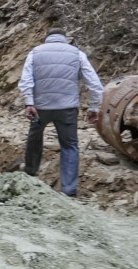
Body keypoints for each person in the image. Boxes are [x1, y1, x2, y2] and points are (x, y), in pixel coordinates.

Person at [18, 28, 104, 198]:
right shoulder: (77, 53)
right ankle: (69, 190)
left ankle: (30, 172)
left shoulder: (35, 53)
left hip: (40, 108)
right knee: (70, 145)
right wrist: (94, 107)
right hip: (67, 109)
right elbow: (94, 83)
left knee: (35, 137)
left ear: (47, 39)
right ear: (65, 39)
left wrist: (29, 102)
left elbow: (26, 80)